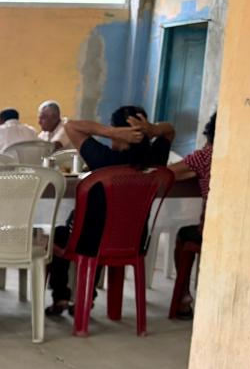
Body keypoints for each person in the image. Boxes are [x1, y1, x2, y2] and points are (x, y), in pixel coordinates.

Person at [45, 106, 175, 316]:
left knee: (63, 233)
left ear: (118, 131)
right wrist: (152, 129)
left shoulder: (103, 159)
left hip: (91, 243)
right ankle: (86, 298)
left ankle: (60, 296)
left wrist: (110, 132)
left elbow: (71, 126)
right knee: (98, 228)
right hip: (133, 241)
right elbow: (169, 130)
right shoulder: (154, 160)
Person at [167, 113, 216, 319]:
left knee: (183, 235)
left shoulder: (206, 156)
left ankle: (183, 298)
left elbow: (168, 173)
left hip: (211, 232)